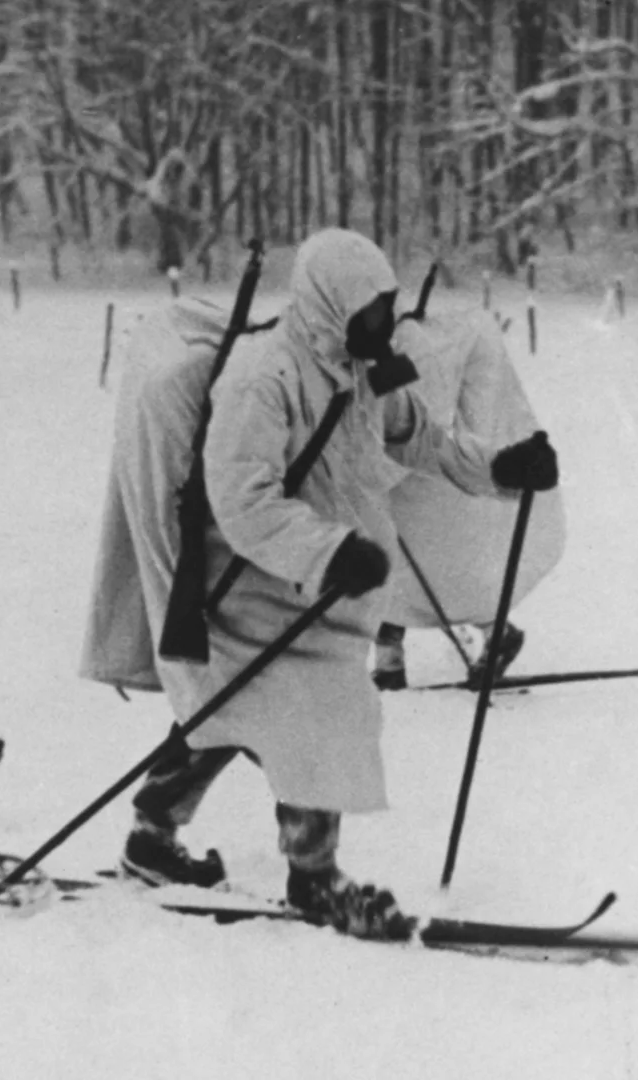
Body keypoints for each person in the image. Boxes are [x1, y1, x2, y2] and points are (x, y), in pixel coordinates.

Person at [81, 229, 559, 939]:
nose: (384, 323)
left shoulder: (360, 368)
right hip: (248, 579)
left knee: (228, 709)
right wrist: (330, 552)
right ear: (332, 305)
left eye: (387, 307)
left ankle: (151, 840)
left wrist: (499, 468)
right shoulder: (262, 377)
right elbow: (243, 503)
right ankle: (315, 880)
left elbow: (418, 436)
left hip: (311, 579)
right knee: (315, 712)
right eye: (372, 310)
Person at [371, 306, 565, 691]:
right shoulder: (406, 334)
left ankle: (490, 638)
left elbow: (413, 415)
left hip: (450, 461)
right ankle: (396, 652)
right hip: (446, 458)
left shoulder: (417, 340)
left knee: (420, 552)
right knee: (400, 550)